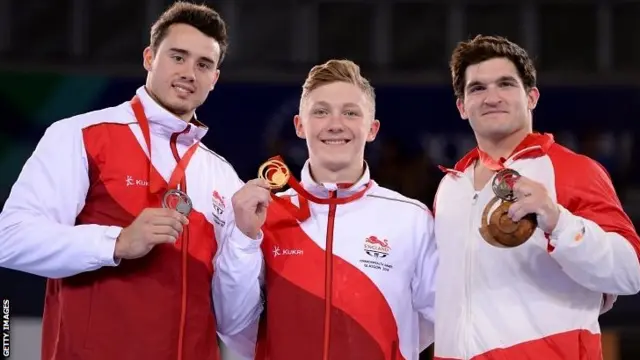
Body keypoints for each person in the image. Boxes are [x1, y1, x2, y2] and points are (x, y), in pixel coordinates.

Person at [0, 2, 250, 359]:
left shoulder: (222, 177)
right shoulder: (81, 135)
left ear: (215, 79)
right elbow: (10, 239)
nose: (189, 73)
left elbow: (232, 311)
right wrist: (116, 242)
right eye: (177, 57)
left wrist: (249, 241)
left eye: (203, 64)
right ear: (149, 57)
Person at [212, 59, 438, 360]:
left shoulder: (412, 219)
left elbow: (435, 319)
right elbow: (232, 324)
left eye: (350, 112)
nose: (335, 124)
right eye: (320, 112)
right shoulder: (262, 216)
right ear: (300, 126)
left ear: (372, 129)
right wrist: (243, 238)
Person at [433, 35, 640, 360]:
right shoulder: (451, 187)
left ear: (531, 97)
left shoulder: (573, 170)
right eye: (477, 88)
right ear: (462, 107)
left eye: (505, 84)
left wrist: (558, 221)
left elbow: (630, 272)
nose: (492, 97)